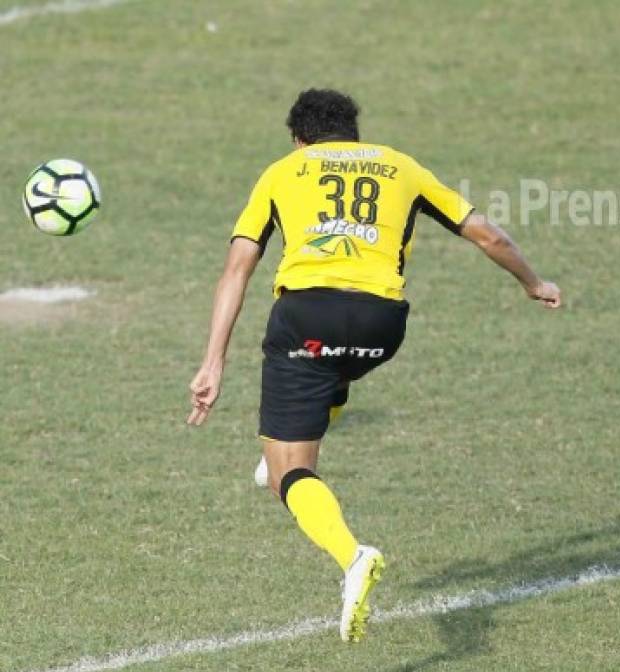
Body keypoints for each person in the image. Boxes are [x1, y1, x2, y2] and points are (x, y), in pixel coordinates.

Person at [187, 89, 561, 640]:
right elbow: (489, 234)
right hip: (382, 327)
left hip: (307, 320)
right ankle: (298, 437)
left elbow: (237, 268)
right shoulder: (399, 166)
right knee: (335, 372)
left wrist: (212, 361)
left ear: (299, 139)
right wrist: (534, 282)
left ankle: (352, 555)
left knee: (291, 474)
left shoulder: (283, 171)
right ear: (353, 133)